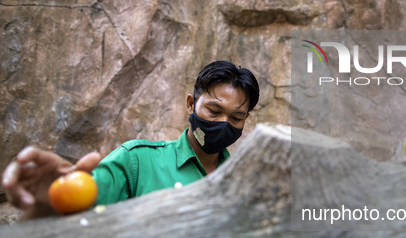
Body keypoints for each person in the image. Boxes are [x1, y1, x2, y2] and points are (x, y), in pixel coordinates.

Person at [2, 60, 260, 219]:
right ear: (191, 104)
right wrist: (49, 201)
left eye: (236, 118)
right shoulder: (136, 160)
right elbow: (75, 209)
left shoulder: (244, 180)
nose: (223, 124)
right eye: (213, 111)